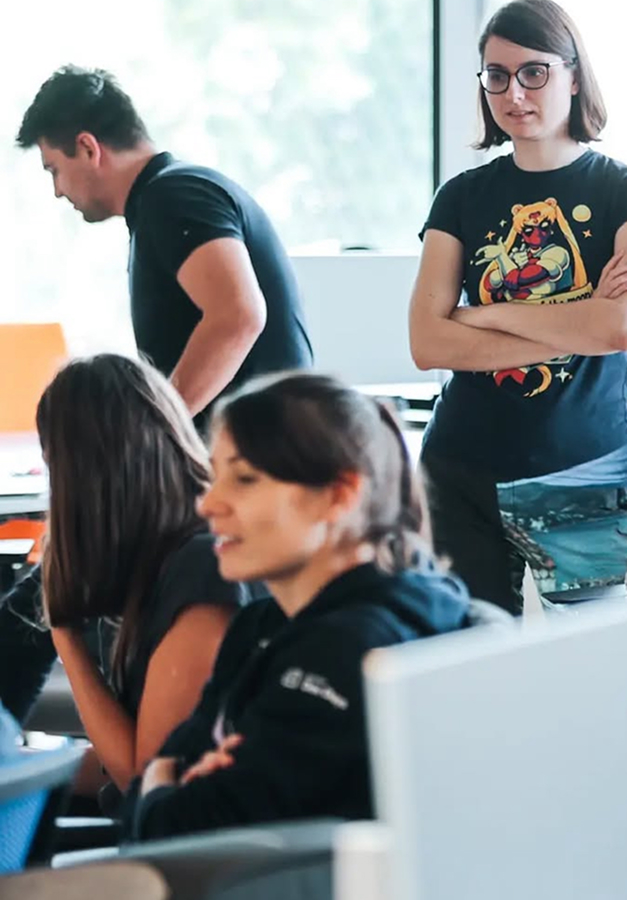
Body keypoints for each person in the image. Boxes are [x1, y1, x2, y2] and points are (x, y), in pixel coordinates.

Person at [409, 0, 627, 615]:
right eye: (496, 75)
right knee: (462, 665)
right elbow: (427, 342)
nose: (514, 92)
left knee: (595, 668)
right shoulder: (460, 196)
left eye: (534, 72)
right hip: (458, 471)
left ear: (574, 76)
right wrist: (574, 322)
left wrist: (475, 314)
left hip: (581, 468)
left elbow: (619, 327)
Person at [123, 373, 472, 840]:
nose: (210, 504)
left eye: (244, 479)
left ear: (338, 495)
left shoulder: (349, 649)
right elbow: (154, 803)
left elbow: (173, 828)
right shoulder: (261, 624)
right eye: (216, 475)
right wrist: (166, 781)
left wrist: (161, 780)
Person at [0, 355, 249, 806]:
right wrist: (21, 769)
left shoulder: (205, 566)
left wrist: (65, 636)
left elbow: (144, 779)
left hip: (186, 849)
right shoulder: (135, 549)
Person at [16, 66, 313, 426]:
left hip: (262, 460)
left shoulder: (173, 197)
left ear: (87, 147)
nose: (58, 191)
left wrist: (157, 430)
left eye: (54, 171)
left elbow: (238, 315)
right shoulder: (167, 199)